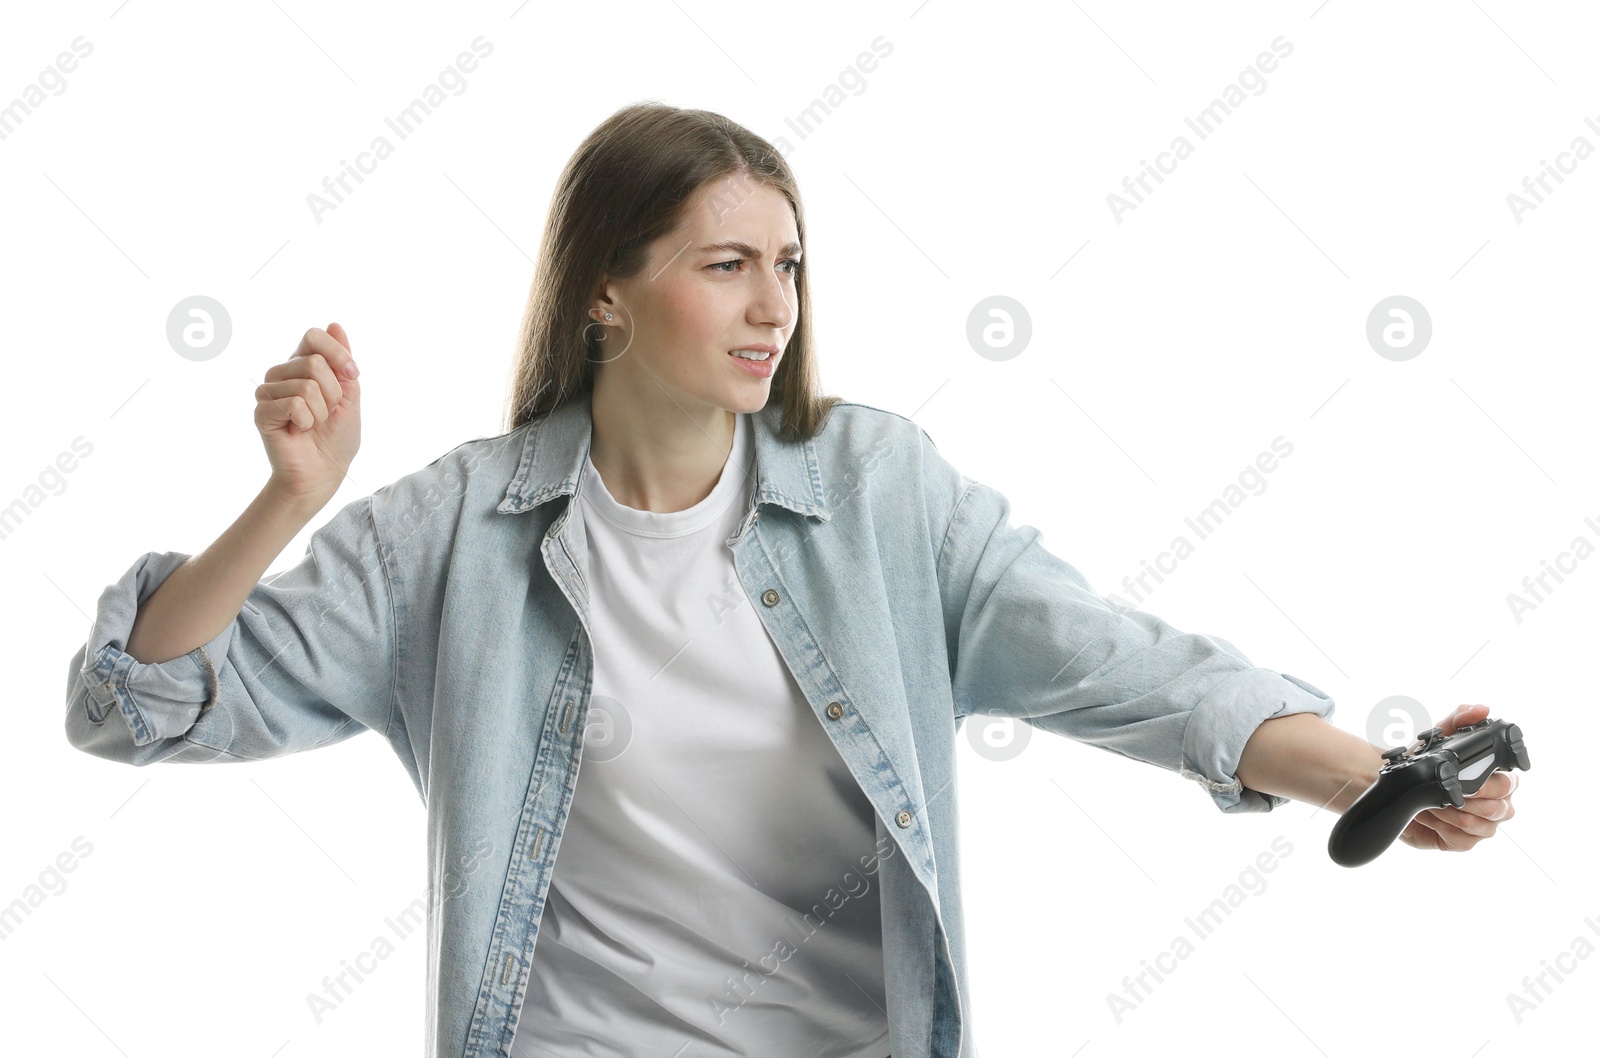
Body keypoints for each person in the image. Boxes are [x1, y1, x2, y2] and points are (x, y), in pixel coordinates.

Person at [63, 101, 1518, 1058]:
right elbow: (141, 702)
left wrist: (1369, 769)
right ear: (606, 290)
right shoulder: (456, 529)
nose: (776, 306)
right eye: (726, 265)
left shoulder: (883, 500)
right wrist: (286, 499)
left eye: (791, 264)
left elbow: (1120, 664)